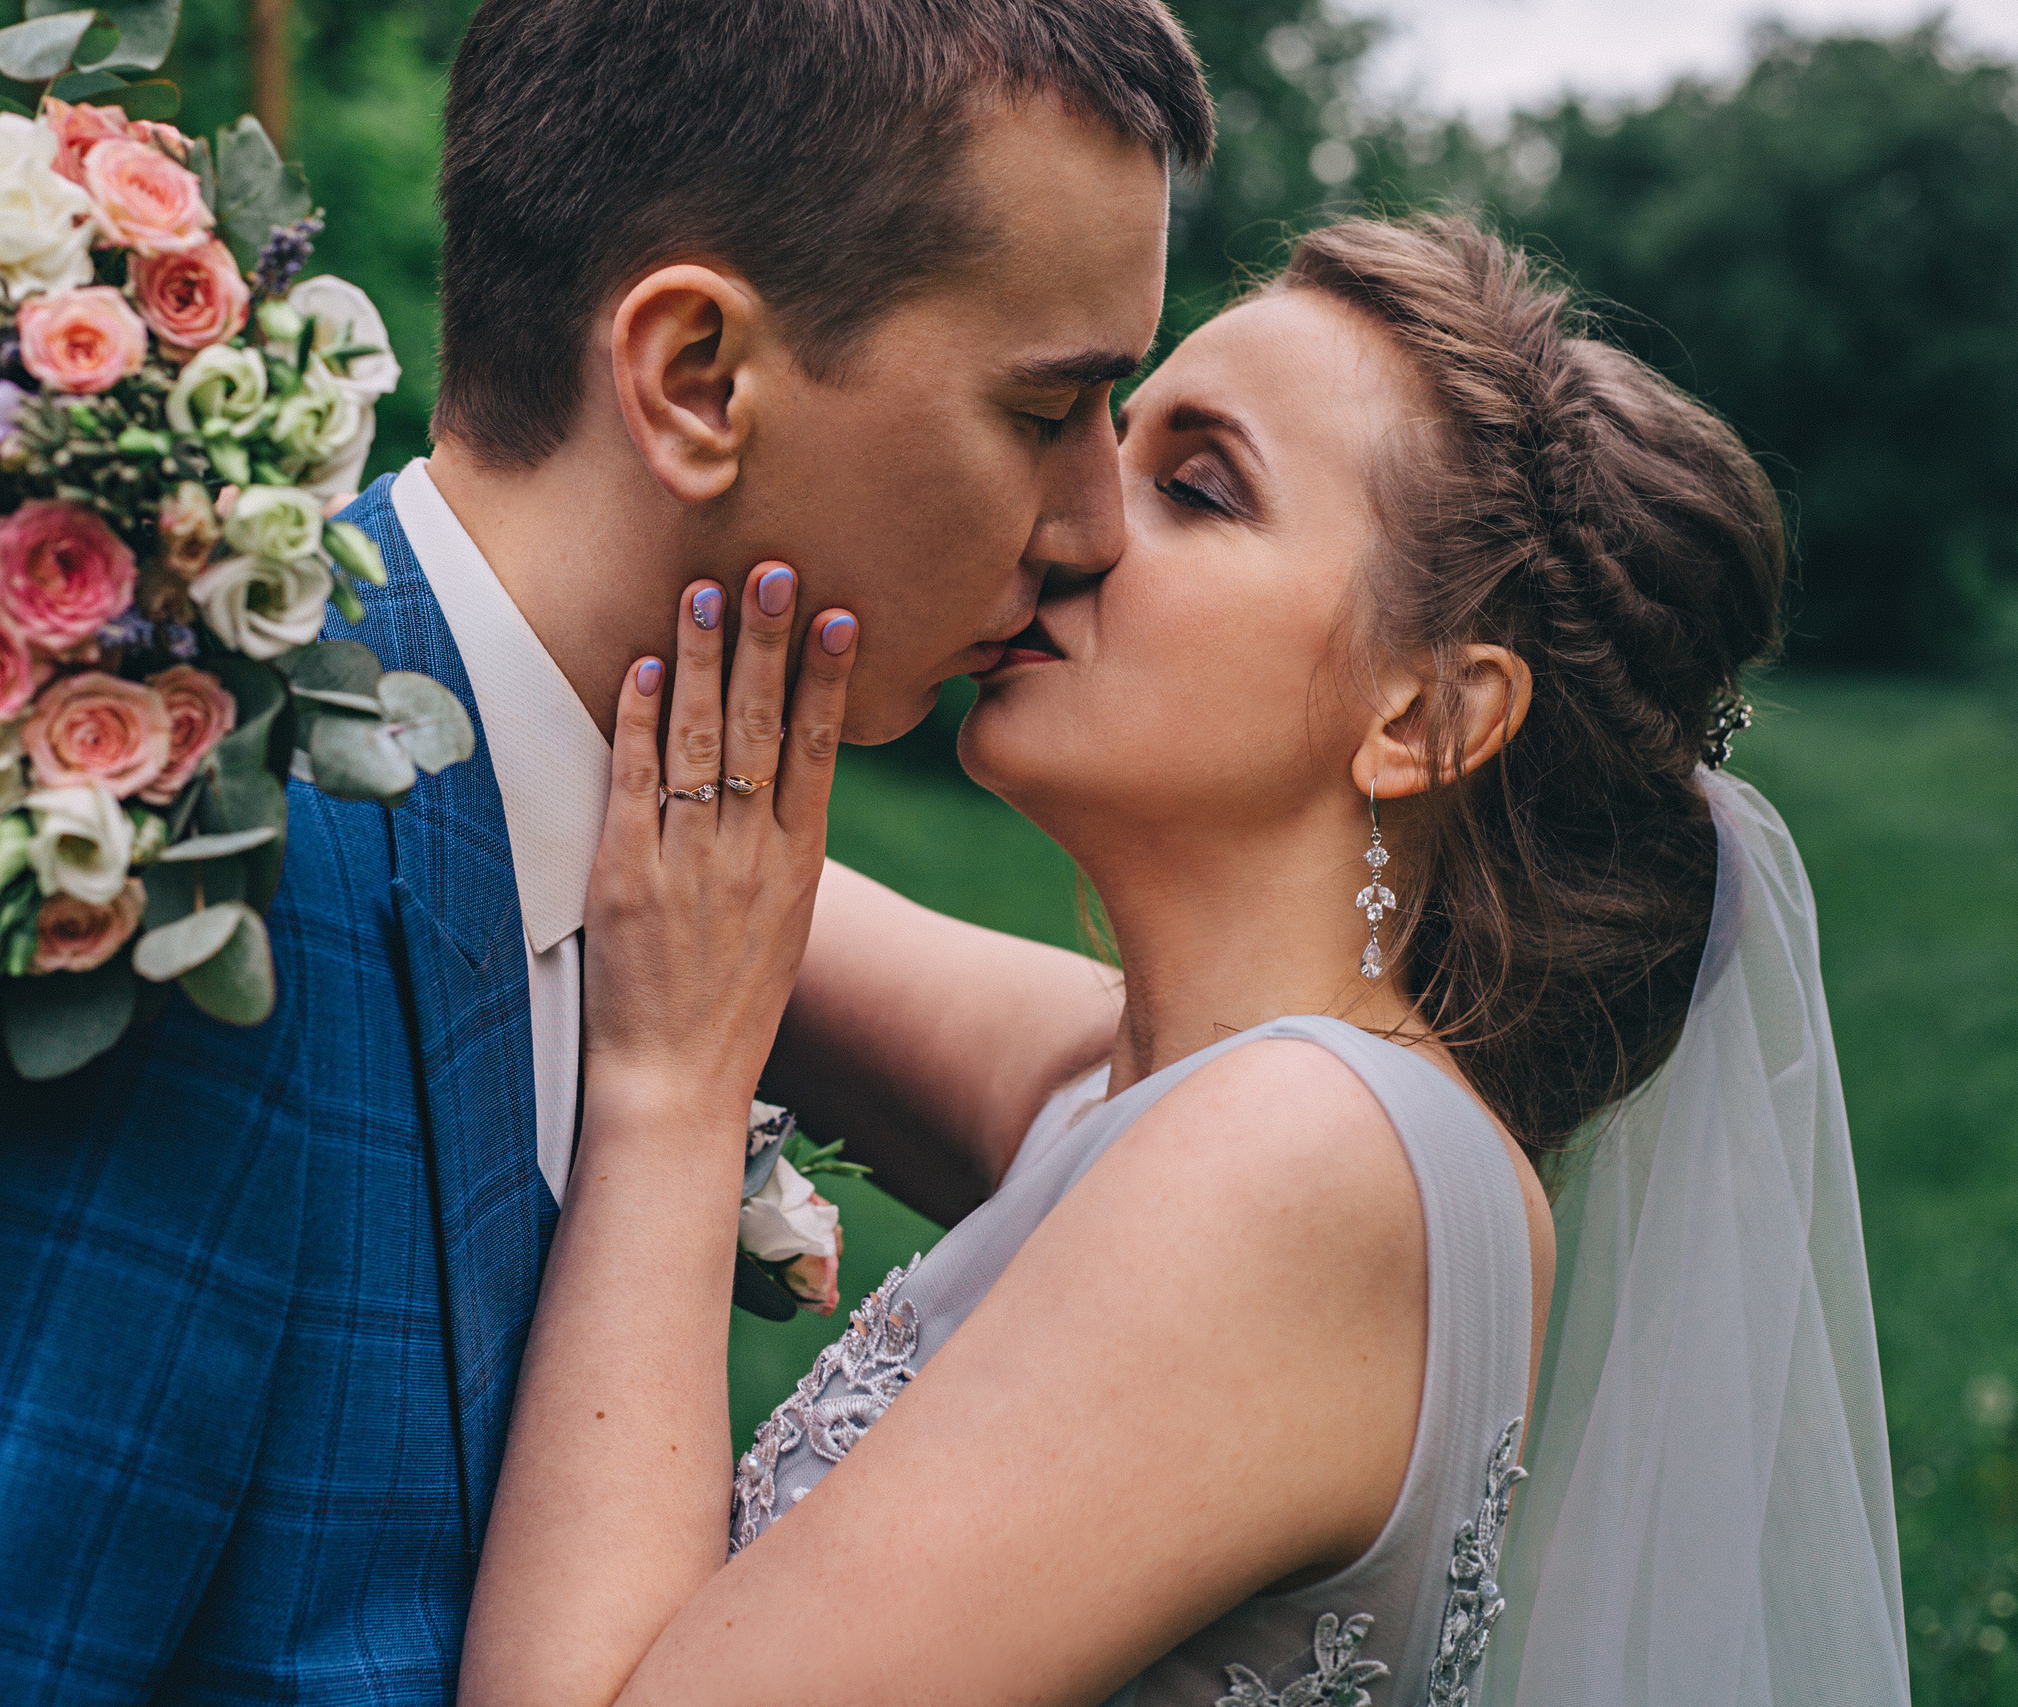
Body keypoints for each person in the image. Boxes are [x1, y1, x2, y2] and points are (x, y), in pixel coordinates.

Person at [0, 2, 1211, 1702]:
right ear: (697, 379)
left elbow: (1167, 1096)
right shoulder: (179, 886)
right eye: (1050, 412)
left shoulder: (648, 863)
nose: (1099, 525)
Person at [460, 214, 1910, 1705]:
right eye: (1081, 430)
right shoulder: (1170, 1083)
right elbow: (708, 884)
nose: (1070, 521)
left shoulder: (1307, 1159)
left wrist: (672, 1093)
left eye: (1195, 489)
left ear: (1426, 719)